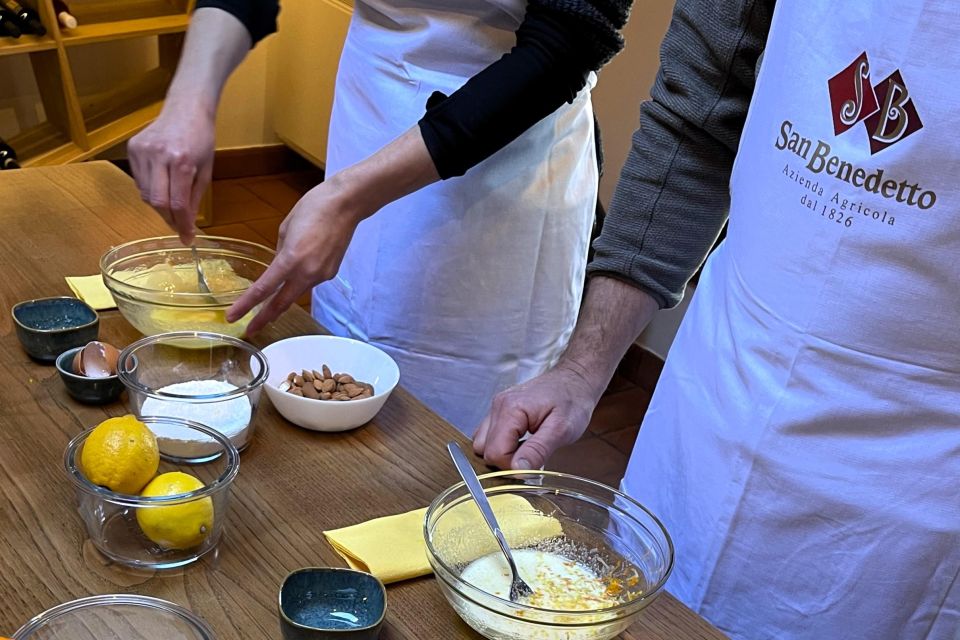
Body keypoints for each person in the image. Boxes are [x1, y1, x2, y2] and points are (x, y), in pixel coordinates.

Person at [474, 0, 960, 638]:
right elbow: (696, 121)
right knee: (646, 604)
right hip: (721, 388)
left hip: (917, 472)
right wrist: (582, 369)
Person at [128, 0, 633, 432]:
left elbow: (570, 36)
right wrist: (189, 99)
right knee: (343, 372)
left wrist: (350, 196)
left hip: (507, 145)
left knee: (459, 427)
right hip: (372, 101)